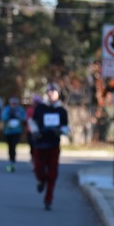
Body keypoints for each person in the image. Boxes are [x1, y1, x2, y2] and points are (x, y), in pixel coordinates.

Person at [29, 83, 69, 211]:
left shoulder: (61, 110)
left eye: (54, 91)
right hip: (40, 143)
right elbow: (32, 121)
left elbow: (66, 127)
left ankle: (48, 199)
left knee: (52, 173)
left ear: (58, 93)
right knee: (38, 169)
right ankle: (41, 181)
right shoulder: (41, 107)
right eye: (49, 91)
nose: (51, 93)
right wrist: (35, 131)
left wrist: (61, 131)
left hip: (53, 145)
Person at [0, 96, 26, 172]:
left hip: (17, 131)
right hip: (8, 131)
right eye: (12, 103)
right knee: (10, 146)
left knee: (14, 145)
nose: (13, 105)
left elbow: (24, 118)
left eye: (15, 103)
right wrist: (9, 116)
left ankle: (13, 160)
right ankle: (11, 159)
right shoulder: (7, 109)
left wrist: (18, 118)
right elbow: (3, 118)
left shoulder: (20, 109)